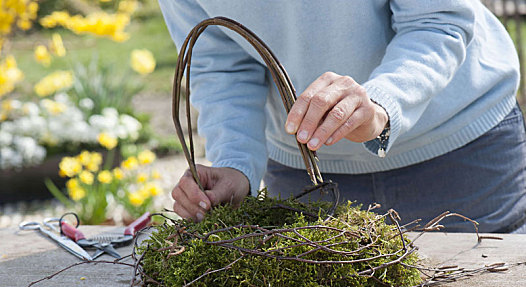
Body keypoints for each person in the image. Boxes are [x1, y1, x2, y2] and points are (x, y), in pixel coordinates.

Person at [158, 1, 525, 233]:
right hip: (307, 178)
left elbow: (438, 19)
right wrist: (235, 163)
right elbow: (222, 65)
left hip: (461, 157)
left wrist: (381, 104)